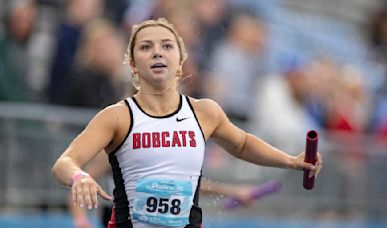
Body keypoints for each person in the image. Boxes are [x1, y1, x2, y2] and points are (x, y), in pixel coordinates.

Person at [52, 18, 322, 228]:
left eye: (167, 46)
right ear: (133, 65)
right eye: (146, 47)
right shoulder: (117, 117)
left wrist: (291, 160)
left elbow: (242, 144)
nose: (157, 52)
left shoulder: (205, 112)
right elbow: (64, 163)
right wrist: (79, 176)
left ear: (180, 61)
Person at [69, 152, 257, 228]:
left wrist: (232, 191)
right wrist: (81, 220)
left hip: (164, 220)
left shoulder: (169, 145)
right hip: (123, 218)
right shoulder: (116, 140)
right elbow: (83, 181)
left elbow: (187, 187)